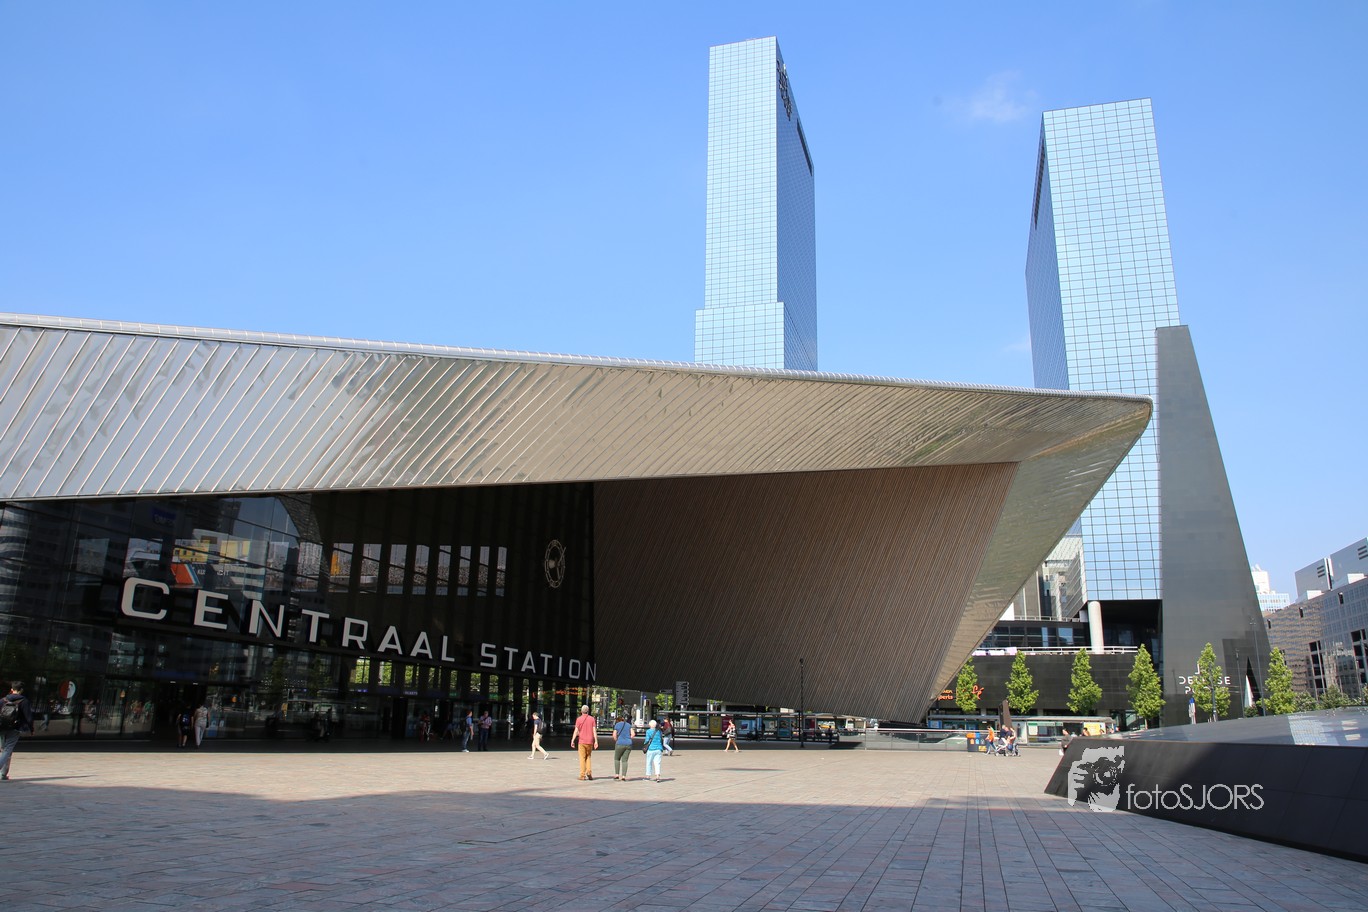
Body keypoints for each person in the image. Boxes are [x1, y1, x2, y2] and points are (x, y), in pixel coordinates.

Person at [0, 682, 35, 781]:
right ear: (21, 690)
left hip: (1, 728)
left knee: (4, 750)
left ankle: (3, 774)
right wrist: (31, 729)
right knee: (8, 750)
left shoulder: (3, 700)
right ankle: (2, 773)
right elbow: (29, 717)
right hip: (15, 728)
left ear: (12, 689)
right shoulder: (24, 701)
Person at [570, 705, 597, 781]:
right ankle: (589, 772)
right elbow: (594, 731)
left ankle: (582, 775)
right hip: (590, 741)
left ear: (581, 711)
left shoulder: (579, 719)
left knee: (582, 758)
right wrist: (596, 741)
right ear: (588, 711)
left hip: (582, 741)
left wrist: (572, 740)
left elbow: (576, 731)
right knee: (588, 757)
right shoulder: (592, 719)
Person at [612, 713, 634, 780]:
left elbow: (614, 735)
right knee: (625, 760)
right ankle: (624, 776)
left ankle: (617, 774)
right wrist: (629, 738)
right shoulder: (628, 725)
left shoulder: (617, 725)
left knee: (617, 759)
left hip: (620, 743)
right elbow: (633, 734)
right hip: (628, 744)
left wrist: (617, 740)